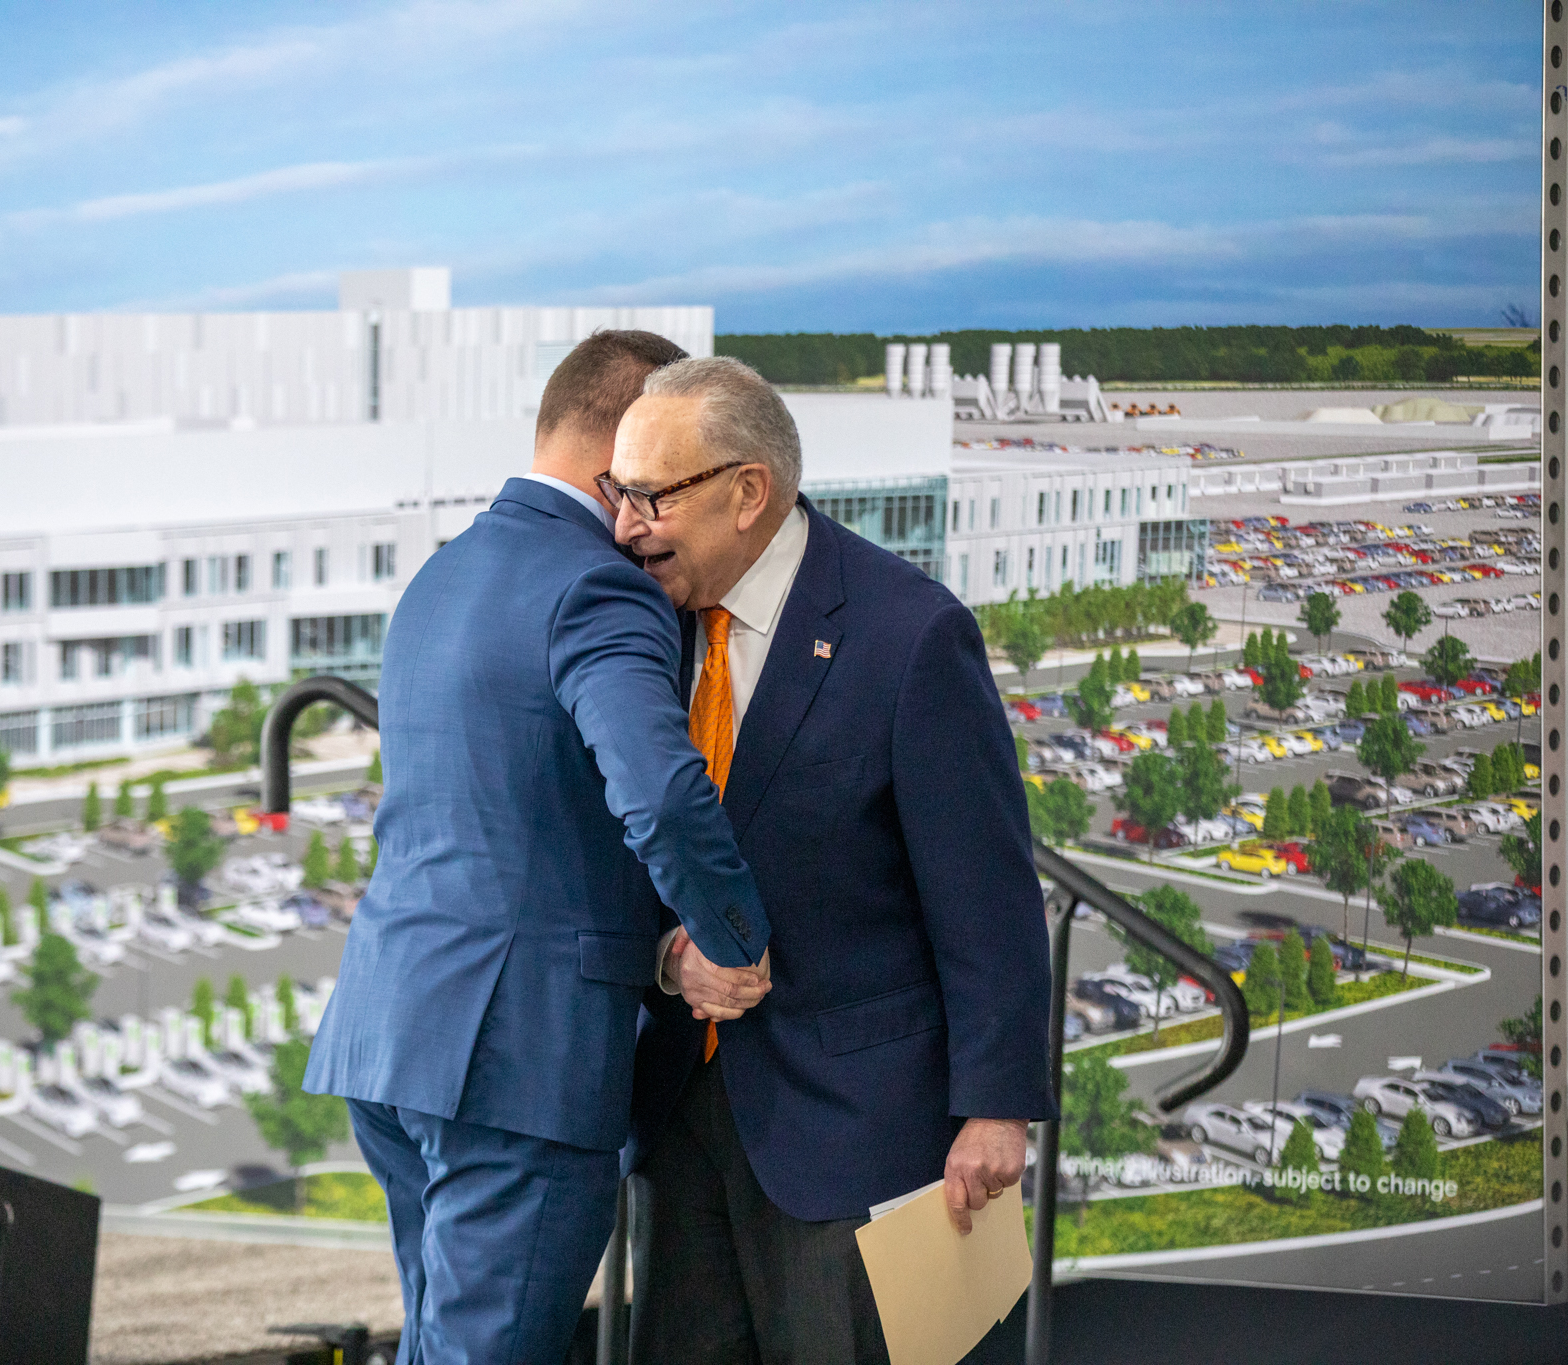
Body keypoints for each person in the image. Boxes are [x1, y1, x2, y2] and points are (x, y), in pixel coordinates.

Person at [305, 331, 775, 1364]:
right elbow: (654, 790)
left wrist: (651, 951)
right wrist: (731, 939)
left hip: (393, 1032)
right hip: (514, 1062)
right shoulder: (597, 587)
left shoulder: (443, 574)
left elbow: (512, 821)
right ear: (626, 453)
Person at [602, 357, 1056, 1365]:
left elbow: (984, 897)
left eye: (650, 497)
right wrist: (663, 960)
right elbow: (617, 849)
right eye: (616, 491)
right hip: (679, 1112)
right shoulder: (637, 626)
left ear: (746, 491)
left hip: (849, 1130)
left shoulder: (909, 635)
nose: (625, 525)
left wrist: (995, 1107)